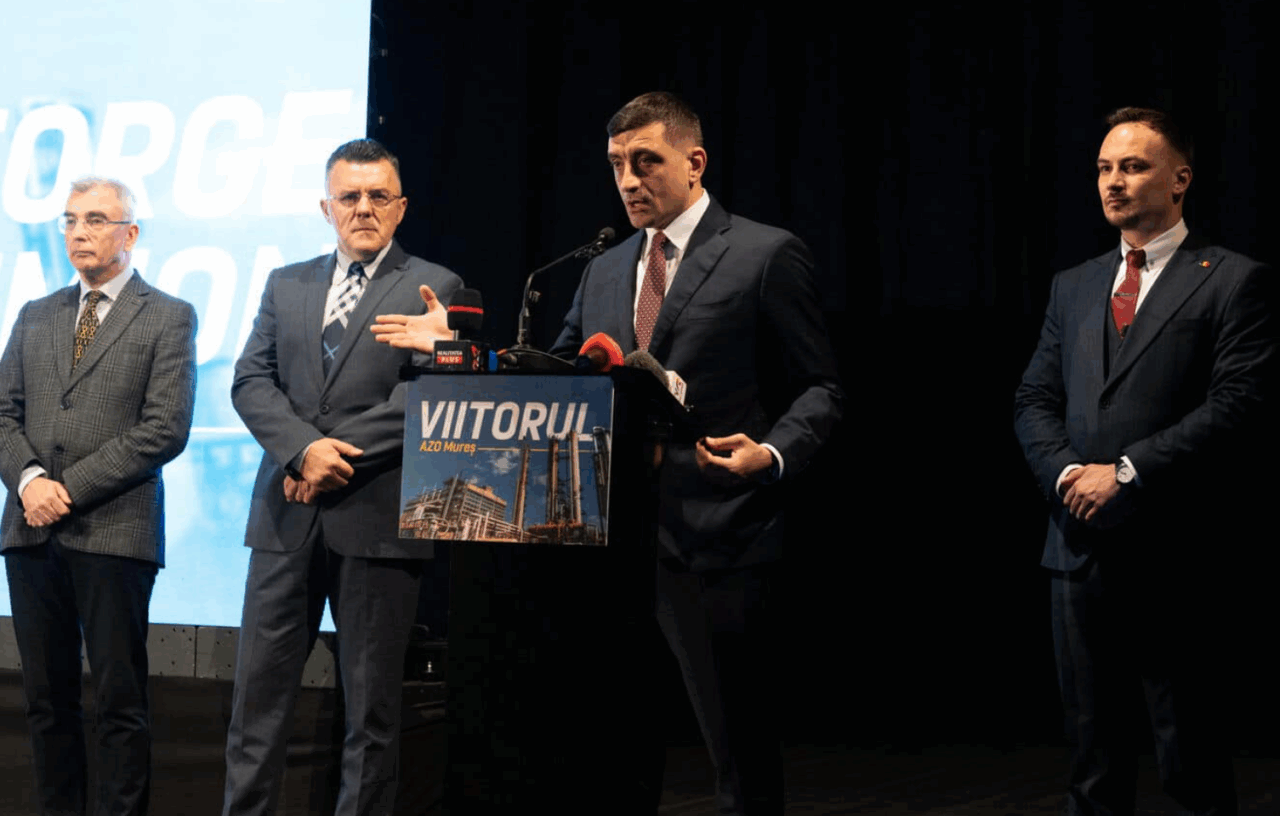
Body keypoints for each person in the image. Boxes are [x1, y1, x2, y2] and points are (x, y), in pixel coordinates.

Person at [550, 92, 842, 815]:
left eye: (645, 161)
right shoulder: (602, 269)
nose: (628, 180)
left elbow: (821, 388)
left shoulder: (763, 254)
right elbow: (558, 377)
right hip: (610, 543)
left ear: (694, 162)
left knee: (737, 757)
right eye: (616, 164)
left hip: (718, 537)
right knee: (612, 754)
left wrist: (771, 453)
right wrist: (461, 350)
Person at [1014, 107, 1275, 815]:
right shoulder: (1074, 284)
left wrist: (1127, 471)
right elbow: (1034, 398)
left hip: (1178, 551)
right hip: (1077, 547)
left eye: (1132, 167)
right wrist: (1069, 474)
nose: (1114, 182)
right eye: (1104, 168)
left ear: (1180, 179)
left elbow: (1239, 404)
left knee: (1190, 757)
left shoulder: (1232, 279)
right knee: (1091, 760)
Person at [223, 138, 462, 816]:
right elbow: (250, 380)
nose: (363, 208)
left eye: (378, 196)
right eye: (349, 197)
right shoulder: (286, 283)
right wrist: (302, 450)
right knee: (255, 710)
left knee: (372, 717)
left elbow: (424, 398)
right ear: (325, 208)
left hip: (377, 523)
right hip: (284, 522)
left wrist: (330, 456)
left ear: (401, 207)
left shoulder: (435, 287)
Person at [0, 176, 197, 815]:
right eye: (70, 220)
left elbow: (165, 428)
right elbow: (2, 414)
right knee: (45, 702)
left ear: (129, 233)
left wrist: (67, 490)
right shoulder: (35, 314)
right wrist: (30, 481)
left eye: (95, 220)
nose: (78, 232)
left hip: (115, 532)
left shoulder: (168, 315)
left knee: (118, 703)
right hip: (31, 531)